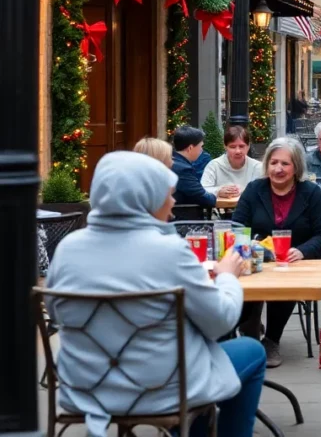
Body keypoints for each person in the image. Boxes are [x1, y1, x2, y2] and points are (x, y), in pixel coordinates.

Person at [46, 151, 265, 436]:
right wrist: (227, 277)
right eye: (167, 195)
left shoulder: (68, 249)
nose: (173, 205)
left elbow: (54, 313)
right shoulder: (169, 251)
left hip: (87, 390)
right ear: (145, 198)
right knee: (252, 350)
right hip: (162, 389)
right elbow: (219, 322)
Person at [234, 137, 321, 367]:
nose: (278, 169)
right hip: (256, 259)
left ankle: (271, 340)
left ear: (296, 166)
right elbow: (238, 226)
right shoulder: (254, 189)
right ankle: (244, 334)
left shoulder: (311, 192)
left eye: (285, 164)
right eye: (273, 162)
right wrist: (252, 246)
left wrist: (302, 251)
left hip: (294, 262)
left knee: (285, 283)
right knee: (241, 284)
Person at [201, 125, 262, 198]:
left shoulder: (257, 167)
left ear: (248, 146)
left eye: (242, 146)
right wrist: (219, 191)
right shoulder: (214, 165)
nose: (238, 151)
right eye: (232, 147)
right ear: (225, 146)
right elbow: (203, 190)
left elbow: (263, 191)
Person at [171, 126, 216, 218]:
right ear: (190, 148)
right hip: (184, 223)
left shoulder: (173, 161)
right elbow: (206, 199)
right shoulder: (183, 169)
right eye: (201, 146)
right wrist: (216, 194)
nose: (202, 150)